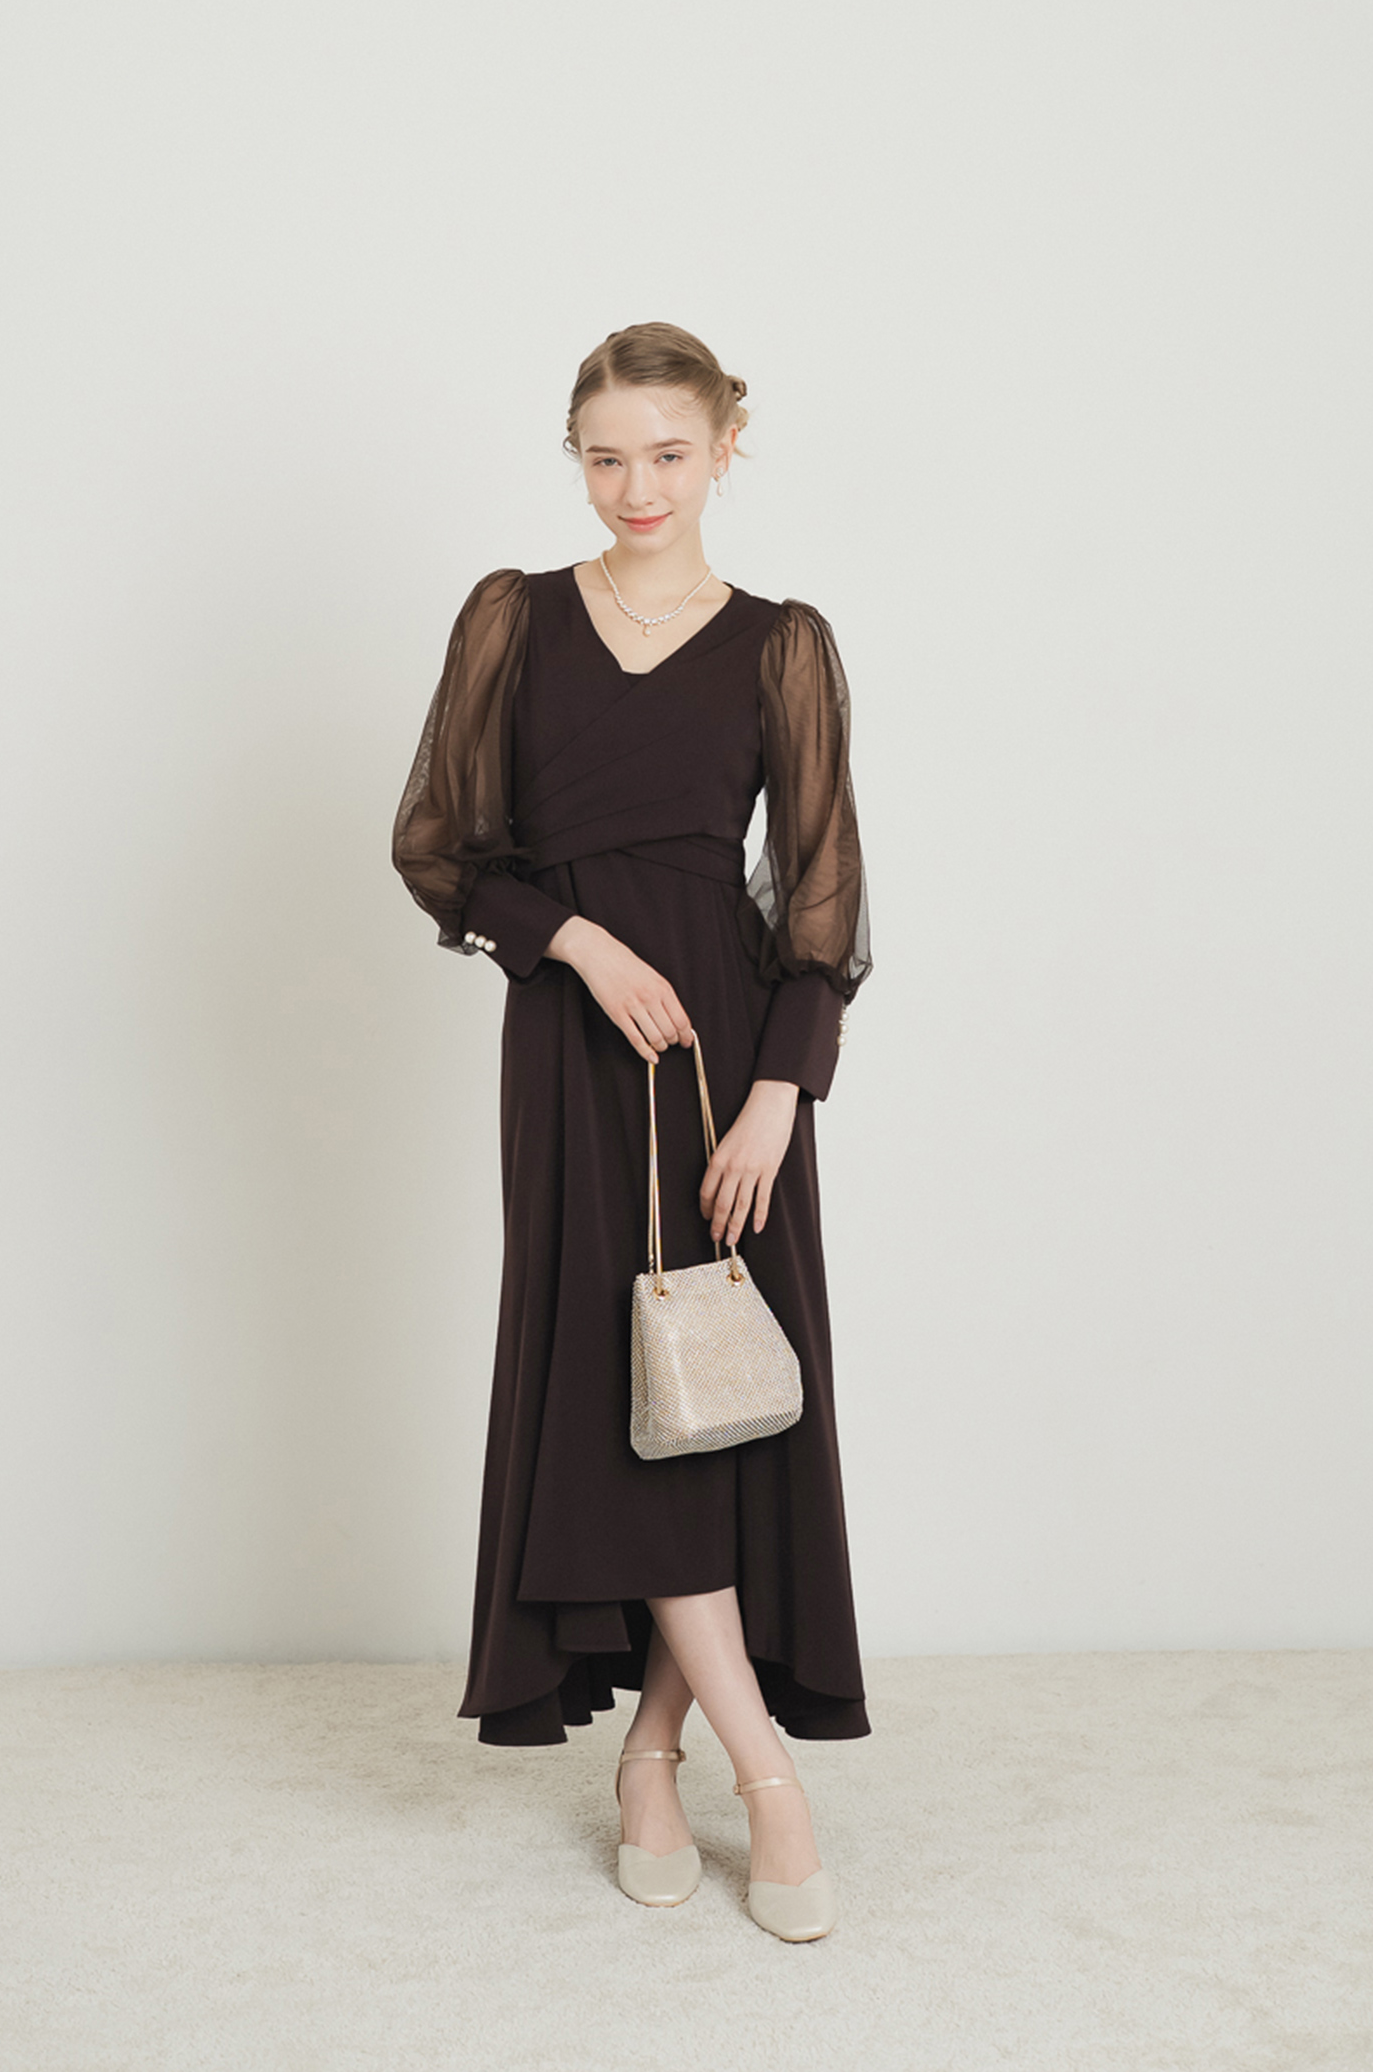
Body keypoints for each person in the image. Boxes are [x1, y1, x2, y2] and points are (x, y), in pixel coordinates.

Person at [391, 321, 872, 1943]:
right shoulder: (512, 619)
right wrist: (576, 944)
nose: (636, 485)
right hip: (578, 1050)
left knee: (719, 1401)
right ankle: (767, 1775)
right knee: (623, 1390)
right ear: (576, 458)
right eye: (606, 456)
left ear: (727, 446)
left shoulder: (785, 645)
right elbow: (442, 848)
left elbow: (820, 894)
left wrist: (780, 1093)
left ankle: (655, 1753)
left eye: (668, 452)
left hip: (732, 1061)